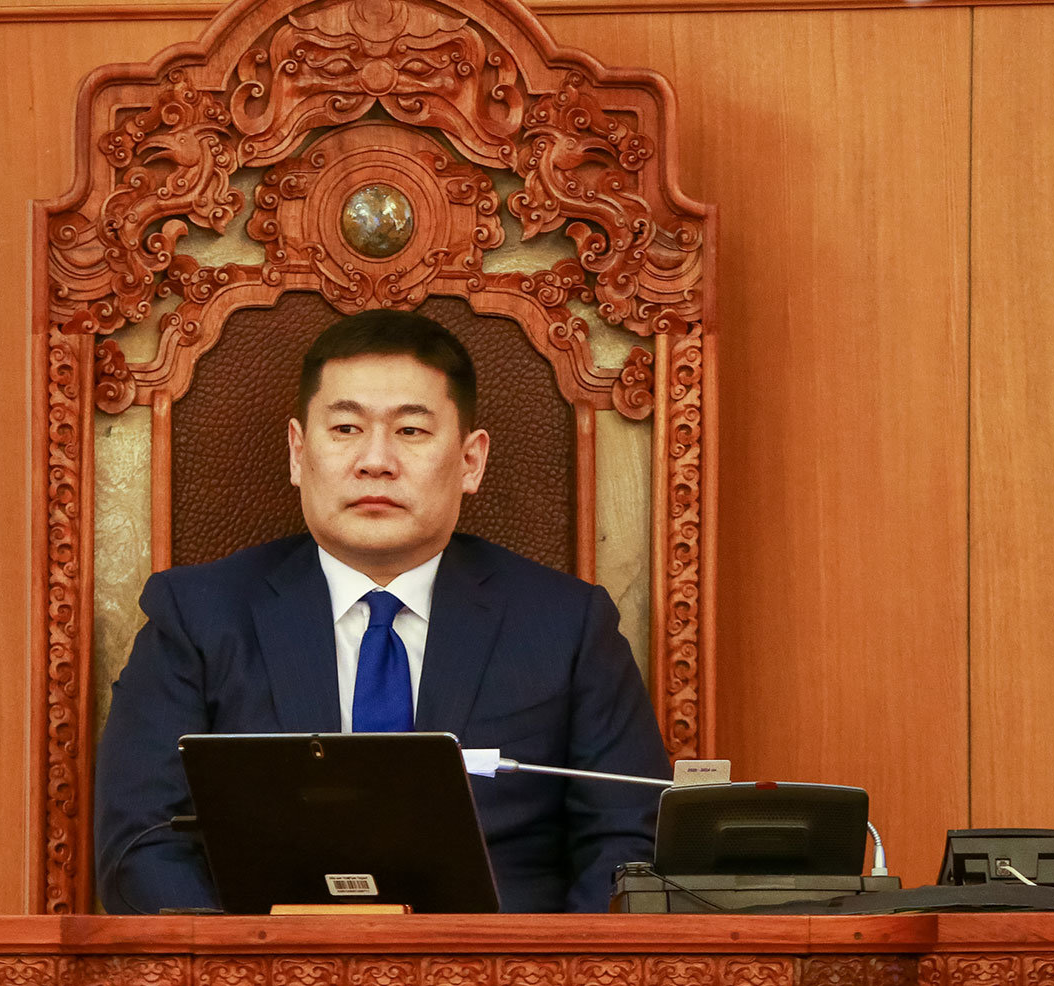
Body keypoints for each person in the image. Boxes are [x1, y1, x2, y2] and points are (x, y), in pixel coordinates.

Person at [94, 309, 670, 913]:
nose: (376, 460)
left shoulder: (566, 625)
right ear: (298, 452)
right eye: (345, 428)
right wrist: (252, 963)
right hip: (260, 966)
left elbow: (627, 841)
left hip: (503, 969)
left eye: (411, 431)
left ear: (470, 461)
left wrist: (541, 969)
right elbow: (140, 841)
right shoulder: (198, 616)